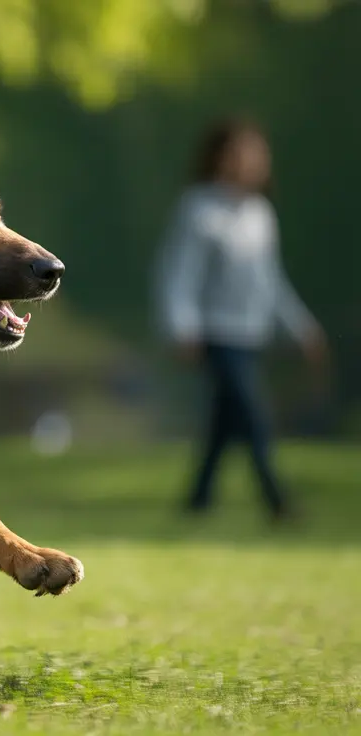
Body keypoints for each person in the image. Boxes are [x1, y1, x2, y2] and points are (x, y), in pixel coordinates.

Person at [155, 117, 329, 522]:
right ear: (219, 157)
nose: (251, 161)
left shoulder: (260, 213)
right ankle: (277, 501)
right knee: (253, 414)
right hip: (216, 333)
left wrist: (302, 327)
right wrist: (182, 326)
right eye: (240, 152)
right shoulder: (199, 208)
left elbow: (272, 281)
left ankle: (198, 501)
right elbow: (179, 274)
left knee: (225, 421)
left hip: (252, 333)